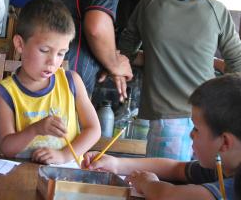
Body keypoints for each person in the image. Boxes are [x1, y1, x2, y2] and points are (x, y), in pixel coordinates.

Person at [118, 0, 241, 160]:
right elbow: (237, 65)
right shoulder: (216, 9)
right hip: (211, 121)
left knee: (162, 186)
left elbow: (126, 50)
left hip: (168, 123)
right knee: (201, 186)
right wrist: (211, 62)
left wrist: (158, 57)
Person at [83, 73, 241, 200]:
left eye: (197, 129)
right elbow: (175, 168)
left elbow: (167, 196)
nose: (191, 134)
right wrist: (116, 164)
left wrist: (148, 184)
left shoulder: (235, 186)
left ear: (225, 143)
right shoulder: (223, 166)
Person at [0, 0, 101, 164]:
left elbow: (94, 129)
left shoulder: (72, 82)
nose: (53, 61)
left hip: (66, 174)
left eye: (61, 53)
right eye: (44, 50)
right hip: (23, 175)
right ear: (20, 44)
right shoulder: (7, 92)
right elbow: (6, 147)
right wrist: (35, 129)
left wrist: (64, 156)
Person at [45, 0, 134, 100]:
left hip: (47, 71)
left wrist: (107, 60)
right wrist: (115, 63)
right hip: (66, 79)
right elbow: (97, 27)